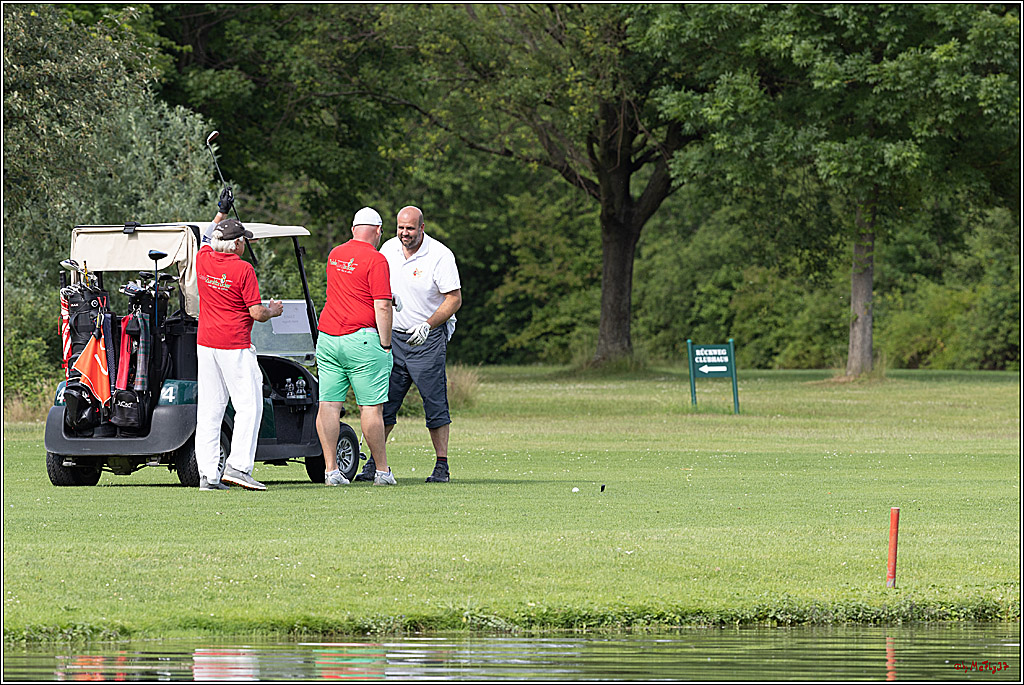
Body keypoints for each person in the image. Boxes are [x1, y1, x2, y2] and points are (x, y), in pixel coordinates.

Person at [356, 206, 461, 483]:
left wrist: (428, 324)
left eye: (410, 229)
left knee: (434, 403)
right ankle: (375, 464)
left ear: (421, 228)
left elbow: (454, 299)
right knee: (383, 403)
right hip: (392, 338)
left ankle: (442, 465)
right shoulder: (387, 250)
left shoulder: (440, 255)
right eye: (401, 228)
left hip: (427, 339)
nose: (405, 234)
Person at [195, 189, 283, 491]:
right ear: (236, 244)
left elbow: (207, 236)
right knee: (250, 405)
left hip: (206, 344)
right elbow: (257, 313)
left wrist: (221, 211)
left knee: (209, 409)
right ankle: (238, 467)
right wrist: (274, 310)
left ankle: (207, 474)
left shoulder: (203, 258)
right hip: (234, 344)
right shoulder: (243, 269)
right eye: (243, 239)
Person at [315, 206, 397, 486]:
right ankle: (383, 471)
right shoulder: (377, 259)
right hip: (361, 339)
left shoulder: (335, 254)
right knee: (371, 408)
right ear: (378, 231)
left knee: (328, 405)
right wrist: (385, 344)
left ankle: (331, 470)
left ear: (353, 230)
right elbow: (383, 306)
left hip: (327, 338)